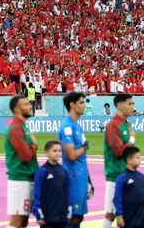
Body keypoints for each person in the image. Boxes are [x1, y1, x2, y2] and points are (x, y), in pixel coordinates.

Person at [102, 93, 135, 228]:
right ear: (120, 106)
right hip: (115, 174)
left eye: (133, 104)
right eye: (130, 104)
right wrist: (132, 140)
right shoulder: (113, 125)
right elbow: (118, 151)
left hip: (127, 173)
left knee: (128, 214)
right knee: (111, 214)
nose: (132, 107)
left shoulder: (127, 124)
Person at [5, 96, 38, 228]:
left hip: (27, 178)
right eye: (26, 104)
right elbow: (24, 156)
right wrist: (34, 145)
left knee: (23, 221)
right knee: (17, 222)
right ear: (17, 109)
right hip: (20, 180)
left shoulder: (23, 127)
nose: (30, 106)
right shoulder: (16, 128)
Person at [58, 92, 90, 228]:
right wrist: (84, 147)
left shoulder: (76, 125)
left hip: (80, 175)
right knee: (72, 217)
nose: (85, 105)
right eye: (81, 102)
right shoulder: (67, 126)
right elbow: (70, 155)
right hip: (73, 176)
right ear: (72, 105)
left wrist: (88, 179)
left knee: (78, 217)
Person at [33, 140, 72, 228]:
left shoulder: (64, 171)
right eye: (54, 151)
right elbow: (37, 195)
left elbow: (68, 193)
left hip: (63, 217)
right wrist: (39, 215)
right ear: (47, 153)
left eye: (59, 150)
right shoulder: (42, 171)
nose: (57, 153)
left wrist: (69, 210)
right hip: (47, 218)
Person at [113, 147, 144, 228]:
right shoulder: (122, 177)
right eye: (137, 157)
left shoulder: (142, 176)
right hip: (129, 218)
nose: (140, 159)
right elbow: (117, 198)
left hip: (142, 217)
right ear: (129, 160)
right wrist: (119, 216)